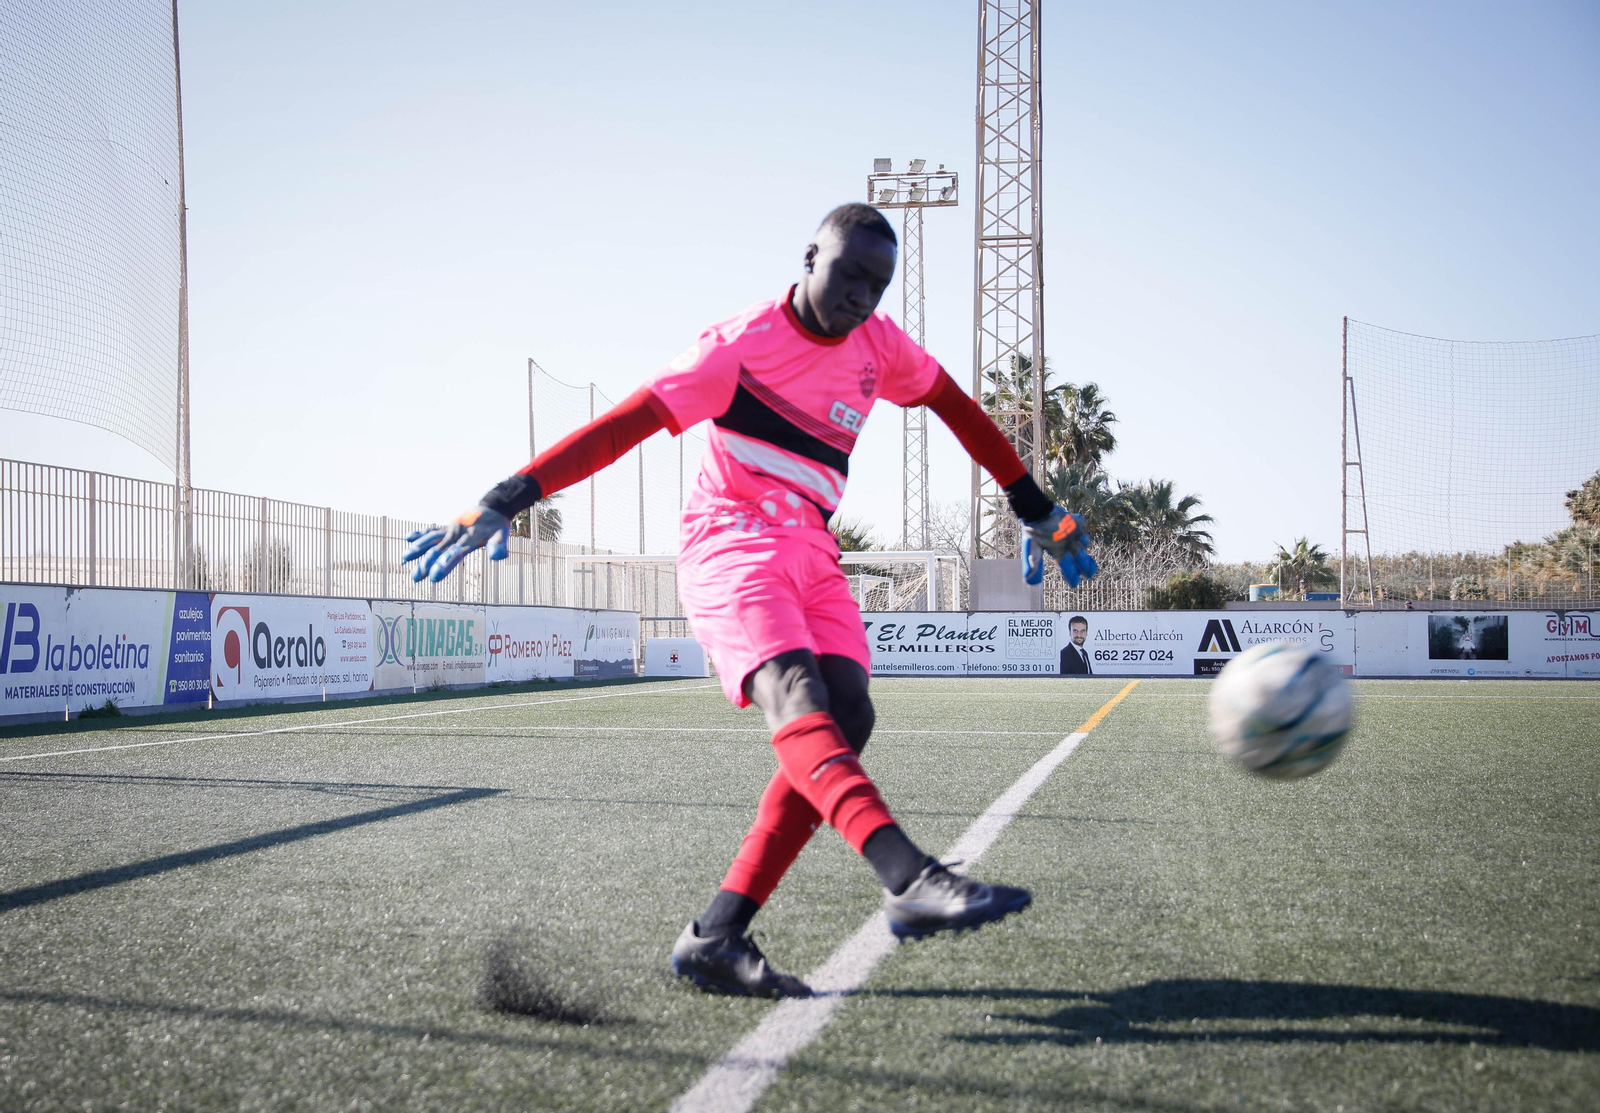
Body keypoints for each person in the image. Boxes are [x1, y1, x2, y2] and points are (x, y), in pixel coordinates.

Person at [403, 204, 1099, 999]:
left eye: (879, 285)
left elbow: (954, 406)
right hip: (731, 542)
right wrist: (508, 495)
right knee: (795, 694)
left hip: (812, 544)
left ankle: (716, 935)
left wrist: (1035, 506)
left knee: (850, 713)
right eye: (850, 277)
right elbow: (621, 425)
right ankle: (907, 875)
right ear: (810, 258)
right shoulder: (736, 348)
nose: (863, 299)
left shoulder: (879, 347)